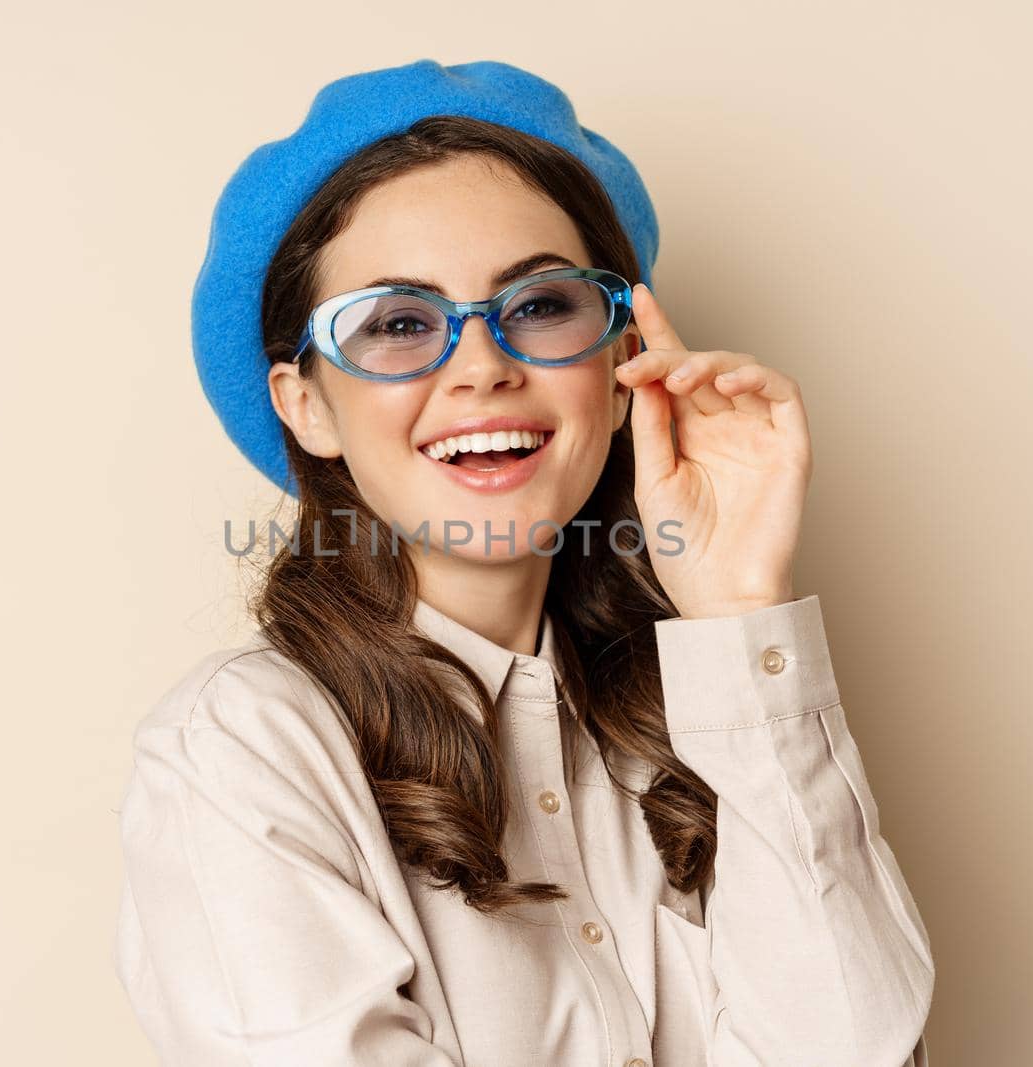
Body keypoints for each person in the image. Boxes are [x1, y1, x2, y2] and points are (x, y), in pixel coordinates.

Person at [114, 58, 934, 1066]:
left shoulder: (706, 705)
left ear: (623, 364)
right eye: (398, 323)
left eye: (541, 305)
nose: (482, 364)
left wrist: (738, 609)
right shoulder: (241, 750)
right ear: (307, 405)